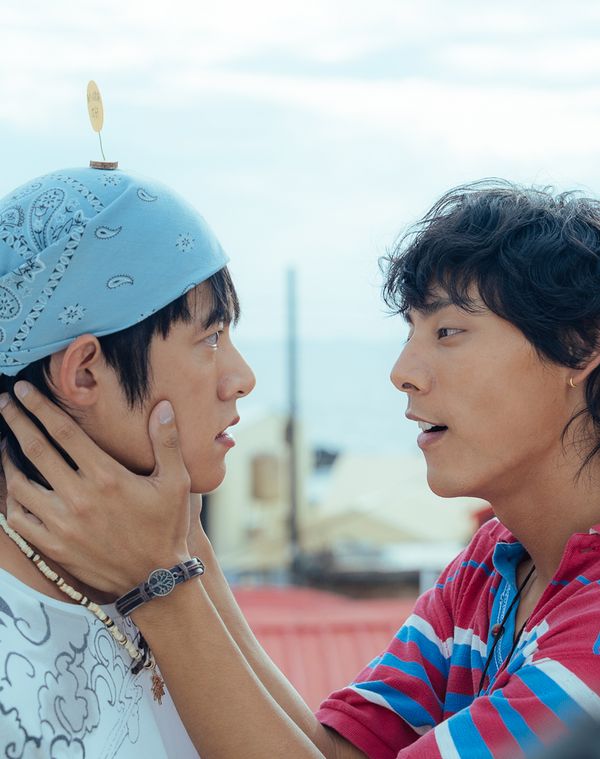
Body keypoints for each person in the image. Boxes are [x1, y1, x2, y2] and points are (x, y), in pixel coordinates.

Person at [2, 179, 600, 758]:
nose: (402, 373)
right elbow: (333, 752)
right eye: (210, 337)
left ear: (579, 344)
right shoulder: (493, 566)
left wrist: (161, 586)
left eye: (448, 331)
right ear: (81, 372)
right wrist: (185, 548)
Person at [0, 166, 256, 757]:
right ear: (85, 373)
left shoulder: (144, 561)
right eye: (210, 338)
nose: (242, 377)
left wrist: (179, 561)